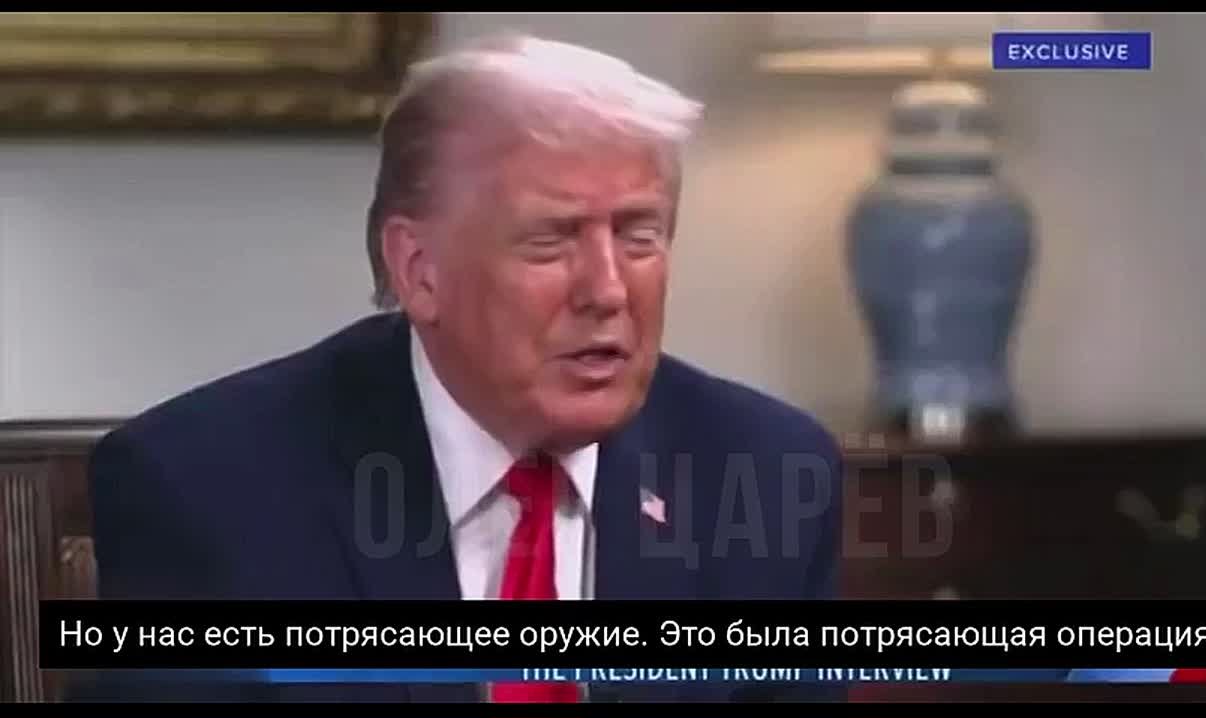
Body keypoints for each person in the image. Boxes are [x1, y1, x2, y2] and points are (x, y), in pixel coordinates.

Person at [84, 33, 845, 703]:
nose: (609, 290)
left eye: (638, 236)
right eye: (552, 240)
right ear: (419, 270)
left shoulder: (764, 474)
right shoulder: (206, 492)